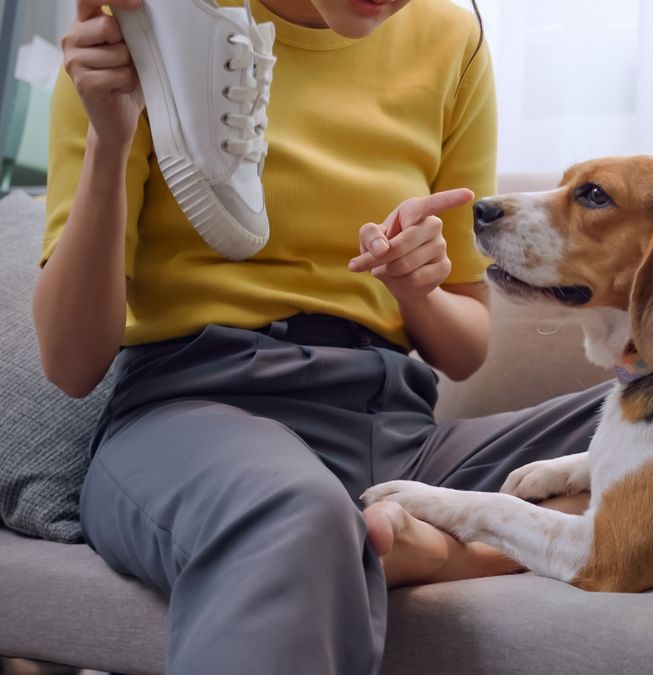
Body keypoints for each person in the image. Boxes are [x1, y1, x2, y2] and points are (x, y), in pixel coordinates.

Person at [34, 1, 604, 673]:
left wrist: (415, 289)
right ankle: (448, 542)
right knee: (298, 511)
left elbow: (466, 346)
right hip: (196, 417)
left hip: (396, 433)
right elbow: (71, 363)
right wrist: (110, 139)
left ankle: (449, 546)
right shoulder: (151, 22)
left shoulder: (452, 39)